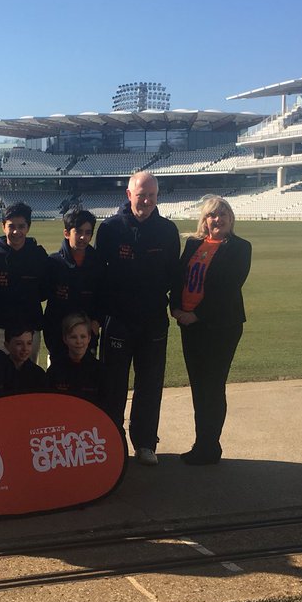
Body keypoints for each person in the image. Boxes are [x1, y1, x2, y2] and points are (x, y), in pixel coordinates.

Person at [95, 171, 181, 466]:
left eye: (152, 195)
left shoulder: (168, 231)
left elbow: (173, 274)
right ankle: (111, 441)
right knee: (113, 383)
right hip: (117, 319)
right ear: (129, 195)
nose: (146, 200)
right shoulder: (109, 229)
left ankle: (145, 443)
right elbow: (100, 276)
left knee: (150, 383)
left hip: (153, 319)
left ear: (157, 197)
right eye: (141, 194)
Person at [170, 196, 252, 466]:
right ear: (204, 220)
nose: (217, 219)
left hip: (220, 326)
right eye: (211, 215)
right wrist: (176, 309)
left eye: (222, 214)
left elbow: (228, 289)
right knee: (198, 385)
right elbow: (178, 277)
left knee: (212, 386)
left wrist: (197, 314)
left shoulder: (240, 248)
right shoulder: (194, 243)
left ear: (231, 218)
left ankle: (209, 446)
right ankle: (201, 442)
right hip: (189, 324)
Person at [0, 201, 46, 362]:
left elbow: (45, 290)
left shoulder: (39, 255)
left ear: (28, 227)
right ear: (3, 226)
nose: (16, 231)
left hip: (30, 330)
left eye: (21, 226)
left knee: (27, 378)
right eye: (11, 226)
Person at [42, 207, 103, 366]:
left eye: (88, 232)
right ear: (67, 233)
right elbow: (46, 298)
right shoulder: (53, 263)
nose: (83, 237)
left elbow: (104, 296)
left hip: (86, 336)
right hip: (58, 336)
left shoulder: (98, 263)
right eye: (78, 231)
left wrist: (96, 322)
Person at [45, 313, 104, 404]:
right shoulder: (54, 371)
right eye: (73, 337)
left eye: (83, 337)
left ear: (89, 338)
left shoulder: (100, 372)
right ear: (65, 339)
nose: (78, 341)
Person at [4, 325, 46, 391]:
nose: (25, 348)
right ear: (7, 345)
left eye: (29, 343)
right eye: (19, 344)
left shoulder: (38, 374)